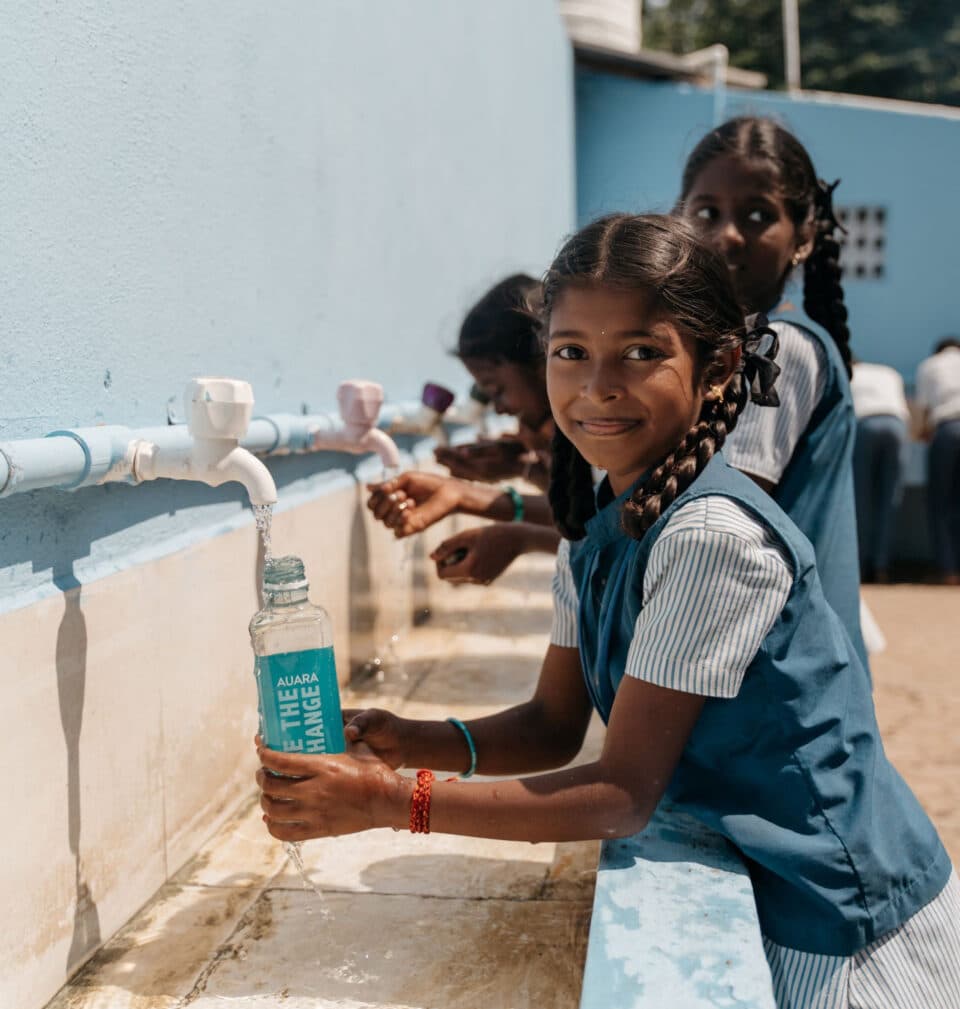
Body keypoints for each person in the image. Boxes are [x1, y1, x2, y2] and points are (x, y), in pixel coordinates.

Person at [256, 215, 960, 1007]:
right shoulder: (600, 518)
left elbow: (623, 795)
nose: (597, 387)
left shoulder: (711, 536)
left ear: (719, 364)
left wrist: (390, 801)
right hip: (774, 879)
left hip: (844, 916)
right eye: (571, 353)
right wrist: (402, 739)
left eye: (641, 352)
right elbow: (552, 725)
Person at [678, 116, 869, 669]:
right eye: (707, 212)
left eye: (758, 216)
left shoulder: (777, 349)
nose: (727, 235)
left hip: (783, 686)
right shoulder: (719, 355)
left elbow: (712, 528)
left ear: (803, 237)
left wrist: (519, 524)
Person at [369, 274, 562, 585]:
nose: (499, 408)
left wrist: (510, 530)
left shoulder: (604, 436)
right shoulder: (563, 435)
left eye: (497, 390)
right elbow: (580, 512)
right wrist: (523, 469)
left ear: (542, 363)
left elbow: (604, 534)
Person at [849, 359, 911, 583]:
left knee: (861, 500)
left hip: (864, 426)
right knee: (890, 499)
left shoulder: (850, 373)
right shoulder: (889, 372)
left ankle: (861, 566)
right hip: (896, 426)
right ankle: (882, 566)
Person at [915, 337, 960, 584]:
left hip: (947, 429)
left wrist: (923, 433)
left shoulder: (930, 365)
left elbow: (923, 408)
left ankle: (949, 570)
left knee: (941, 503)